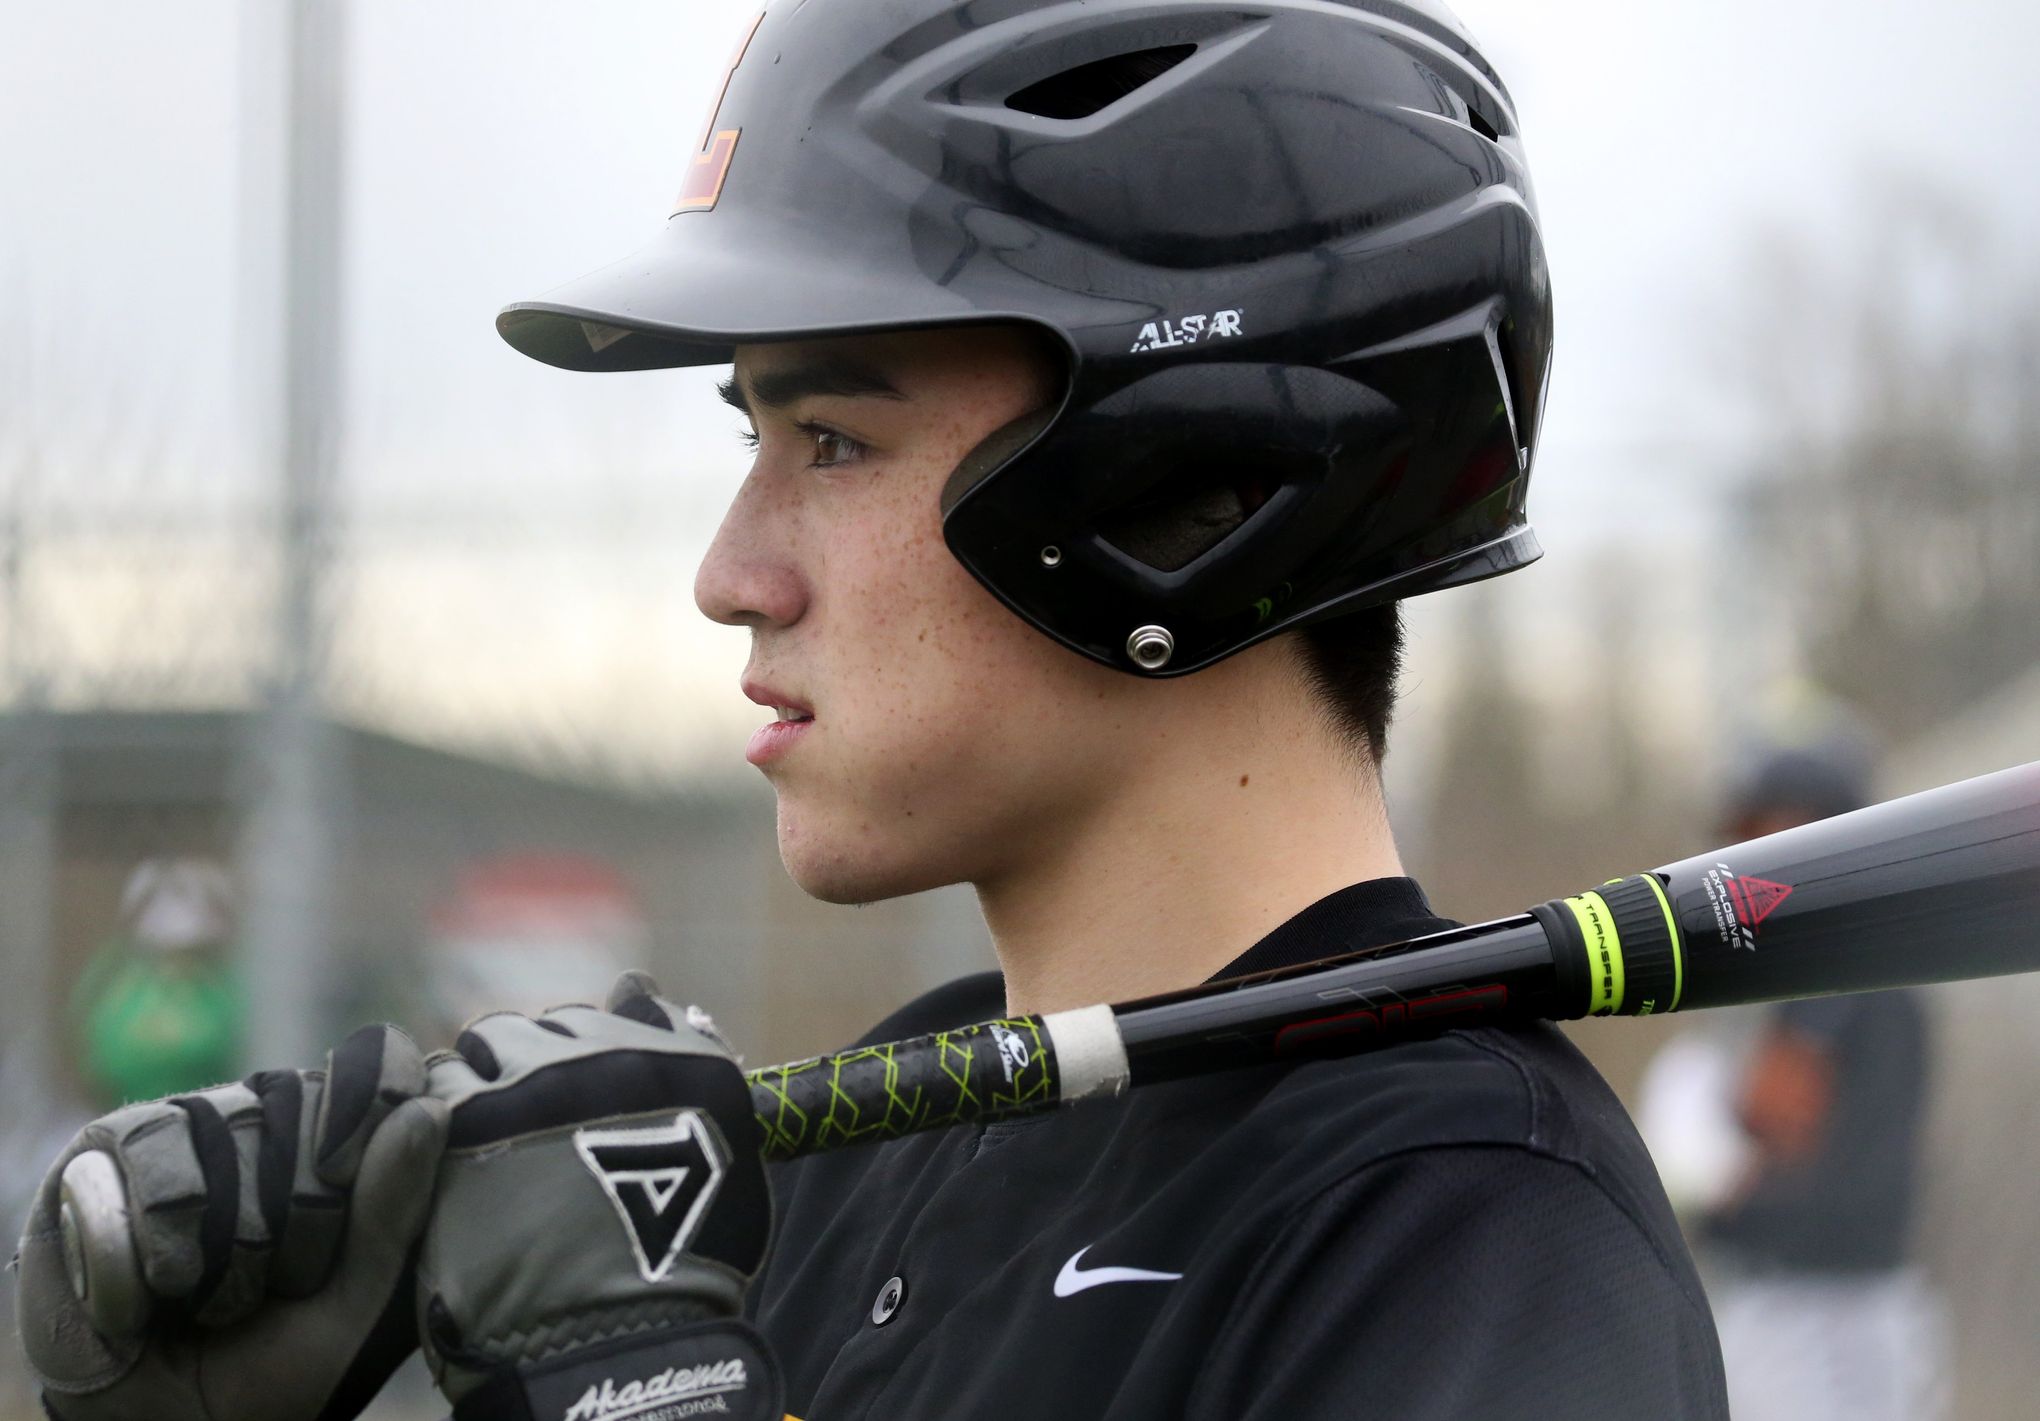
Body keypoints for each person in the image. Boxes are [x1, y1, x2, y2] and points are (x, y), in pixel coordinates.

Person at [13, 3, 1728, 1419]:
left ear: (1197, 485)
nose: (730, 571)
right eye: (745, 439)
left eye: (833, 441)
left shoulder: (1471, 1233)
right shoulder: (855, 1147)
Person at [1696, 739, 1947, 1421]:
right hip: (1768, 1305)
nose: (1750, 859)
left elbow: (1862, 1193)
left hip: (1842, 1315)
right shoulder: (1788, 984)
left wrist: (1726, 1209)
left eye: (1774, 831)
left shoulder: (1878, 982)